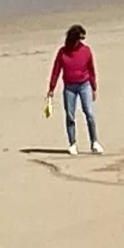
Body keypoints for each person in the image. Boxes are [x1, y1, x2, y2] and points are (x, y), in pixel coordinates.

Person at [47, 24, 101, 155]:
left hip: (84, 85)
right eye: (79, 39)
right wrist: (51, 88)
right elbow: (56, 70)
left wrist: (94, 87)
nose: (81, 42)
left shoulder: (86, 51)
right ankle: (72, 144)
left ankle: (94, 142)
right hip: (69, 87)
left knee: (89, 113)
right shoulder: (63, 52)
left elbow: (91, 70)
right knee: (70, 116)